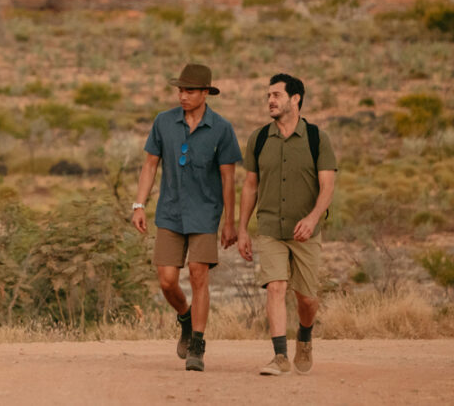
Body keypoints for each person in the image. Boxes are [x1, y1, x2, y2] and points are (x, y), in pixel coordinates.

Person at [131, 63, 242, 372]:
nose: (182, 95)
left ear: (205, 93)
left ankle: (197, 344)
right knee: (167, 281)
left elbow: (228, 179)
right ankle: (185, 317)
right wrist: (138, 205)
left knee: (198, 274)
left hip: (205, 213)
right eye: (180, 90)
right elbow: (150, 165)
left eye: (189, 91)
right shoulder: (163, 122)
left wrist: (230, 223)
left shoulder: (222, 129)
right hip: (169, 211)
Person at [238, 72, 337, 376]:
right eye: (268, 95)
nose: (270, 100)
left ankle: (304, 338)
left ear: (295, 99)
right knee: (276, 287)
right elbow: (250, 186)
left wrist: (312, 217)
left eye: (277, 95)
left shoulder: (317, 138)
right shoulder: (258, 139)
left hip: (306, 233)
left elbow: (328, 185)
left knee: (306, 298)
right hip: (270, 228)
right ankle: (280, 356)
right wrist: (242, 228)